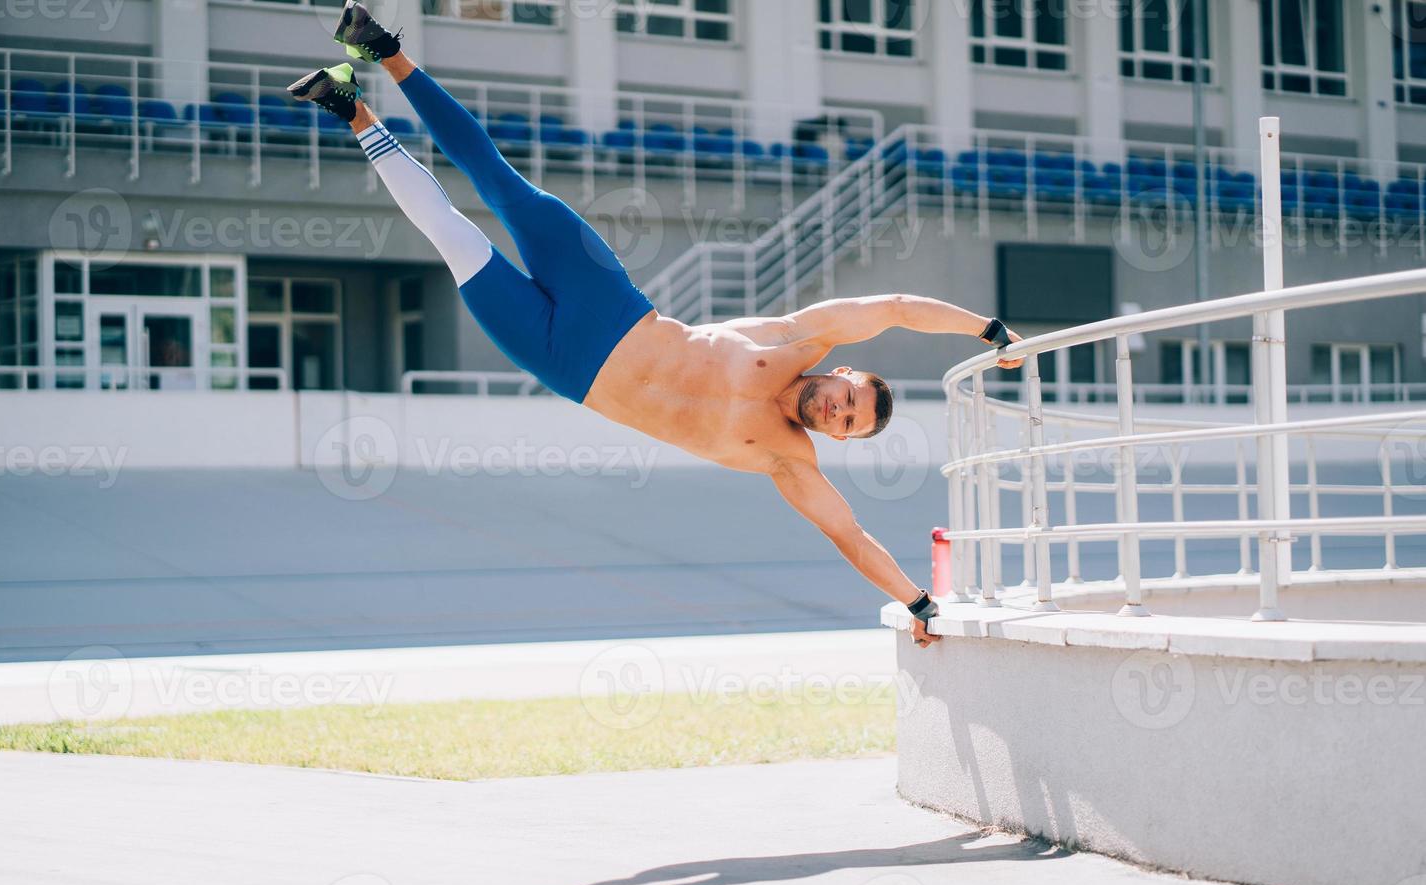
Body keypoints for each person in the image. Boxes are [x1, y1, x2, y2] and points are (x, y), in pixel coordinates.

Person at [290, 2, 1025, 649]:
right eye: (849, 398)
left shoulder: (788, 460)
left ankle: (352, 108)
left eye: (848, 424)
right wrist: (987, 331)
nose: (839, 411)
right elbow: (895, 308)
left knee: (452, 239)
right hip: (609, 303)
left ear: (838, 437)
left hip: (565, 366)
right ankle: (382, 48)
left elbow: (851, 536)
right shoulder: (795, 338)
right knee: (497, 181)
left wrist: (918, 601)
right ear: (839, 373)